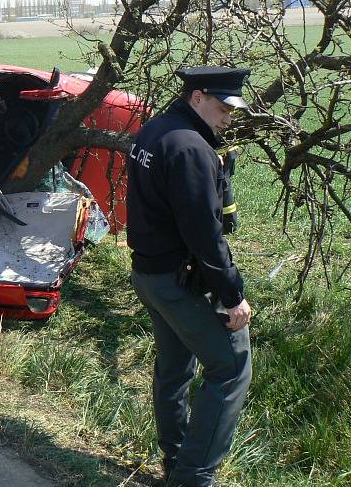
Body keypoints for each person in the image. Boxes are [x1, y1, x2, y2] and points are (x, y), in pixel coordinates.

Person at [126, 66, 253, 487]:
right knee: (231, 367)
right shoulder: (191, 148)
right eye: (222, 107)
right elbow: (205, 235)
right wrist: (233, 295)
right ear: (197, 97)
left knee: (175, 367)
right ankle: (193, 477)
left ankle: (176, 459)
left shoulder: (155, 130)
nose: (228, 117)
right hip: (179, 282)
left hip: (149, 274)